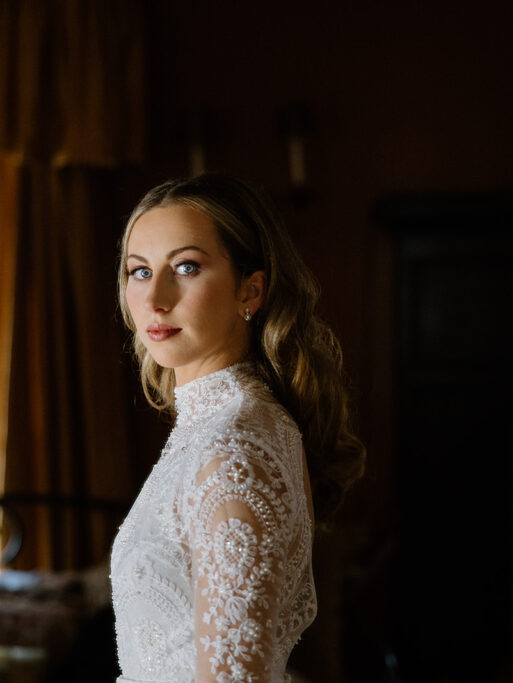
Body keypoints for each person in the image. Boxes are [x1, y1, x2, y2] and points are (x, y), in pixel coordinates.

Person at [110, 173, 366, 682]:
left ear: (251, 290)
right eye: (139, 272)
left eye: (186, 267)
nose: (156, 298)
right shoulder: (229, 426)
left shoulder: (232, 450)